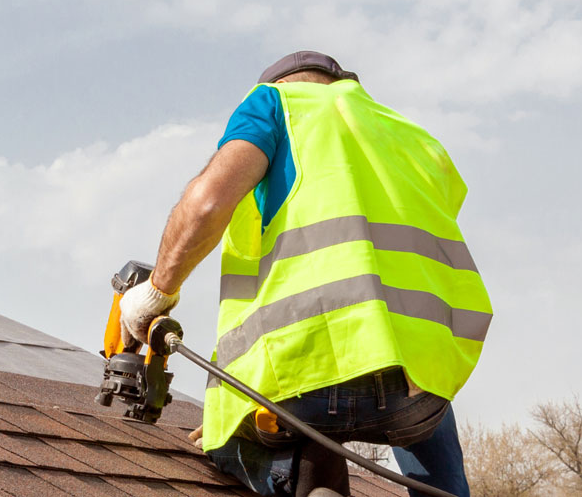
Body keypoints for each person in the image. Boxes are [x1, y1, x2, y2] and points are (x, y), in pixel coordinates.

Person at [118, 51, 490, 497]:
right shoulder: (410, 136)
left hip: (305, 378)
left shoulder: (276, 105)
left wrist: (156, 292)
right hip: (417, 390)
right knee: (423, 407)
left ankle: (303, 487)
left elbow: (207, 204)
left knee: (240, 435)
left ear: (282, 85)